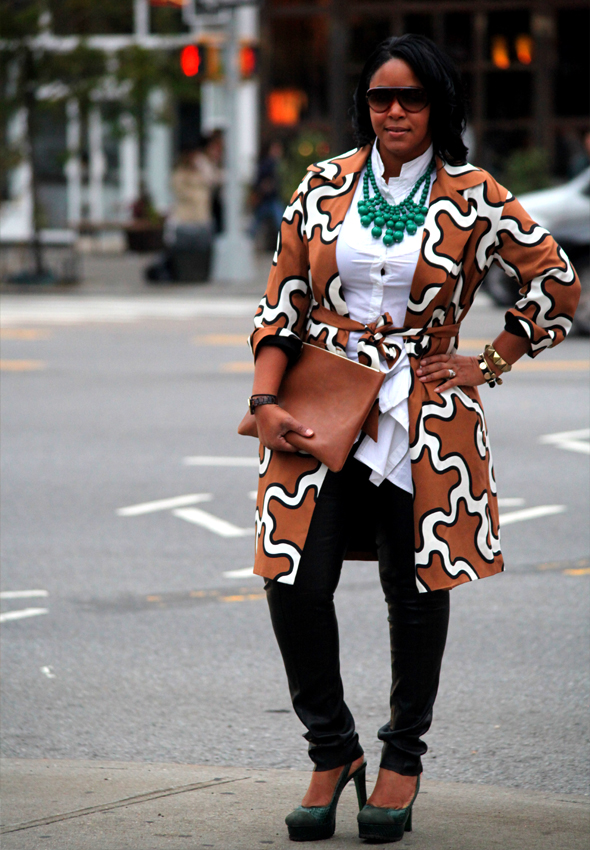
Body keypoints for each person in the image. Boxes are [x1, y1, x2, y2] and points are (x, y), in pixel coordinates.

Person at [246, 34, 580, 844]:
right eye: (380, 97)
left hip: (423, 418)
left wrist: (489, 361)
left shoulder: (476, 194)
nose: (394, 111)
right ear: (364, 105)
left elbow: (558, 284)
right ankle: (333, 753)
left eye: (412, 98)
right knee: (292, 577)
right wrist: (262, 399)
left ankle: (401, 758)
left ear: (439, 106)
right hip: (319, 405)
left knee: (416, 589)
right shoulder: (322, 186)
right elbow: (280, 303)